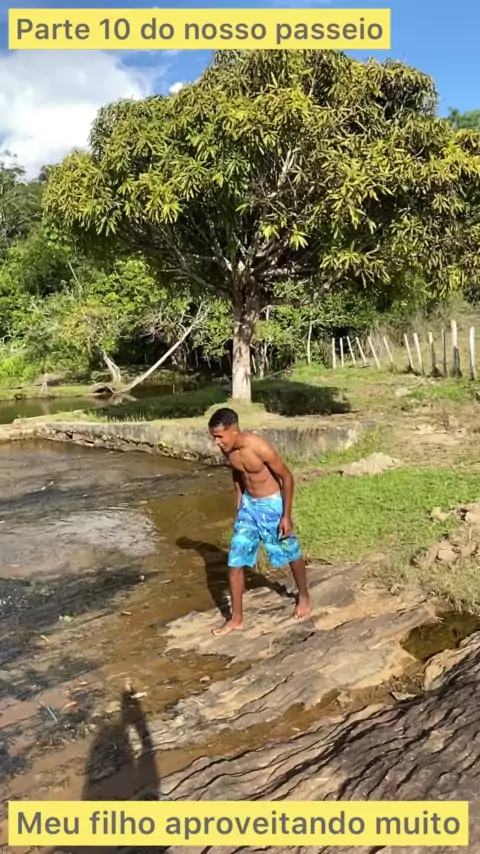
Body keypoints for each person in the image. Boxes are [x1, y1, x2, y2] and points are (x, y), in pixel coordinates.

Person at [208, 406, 311, 636]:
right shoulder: (228, 449)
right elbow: (238, 474)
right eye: (213, 437)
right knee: (235, 561)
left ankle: (303, 595)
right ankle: (237, 619)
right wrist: (238, 504)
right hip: (248, 506)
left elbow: (286, 477)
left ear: (234, 431)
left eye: (219, 436)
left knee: (289, 551)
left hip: (270, 505)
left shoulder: (259, 447)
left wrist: (286, 515)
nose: (216, 442)